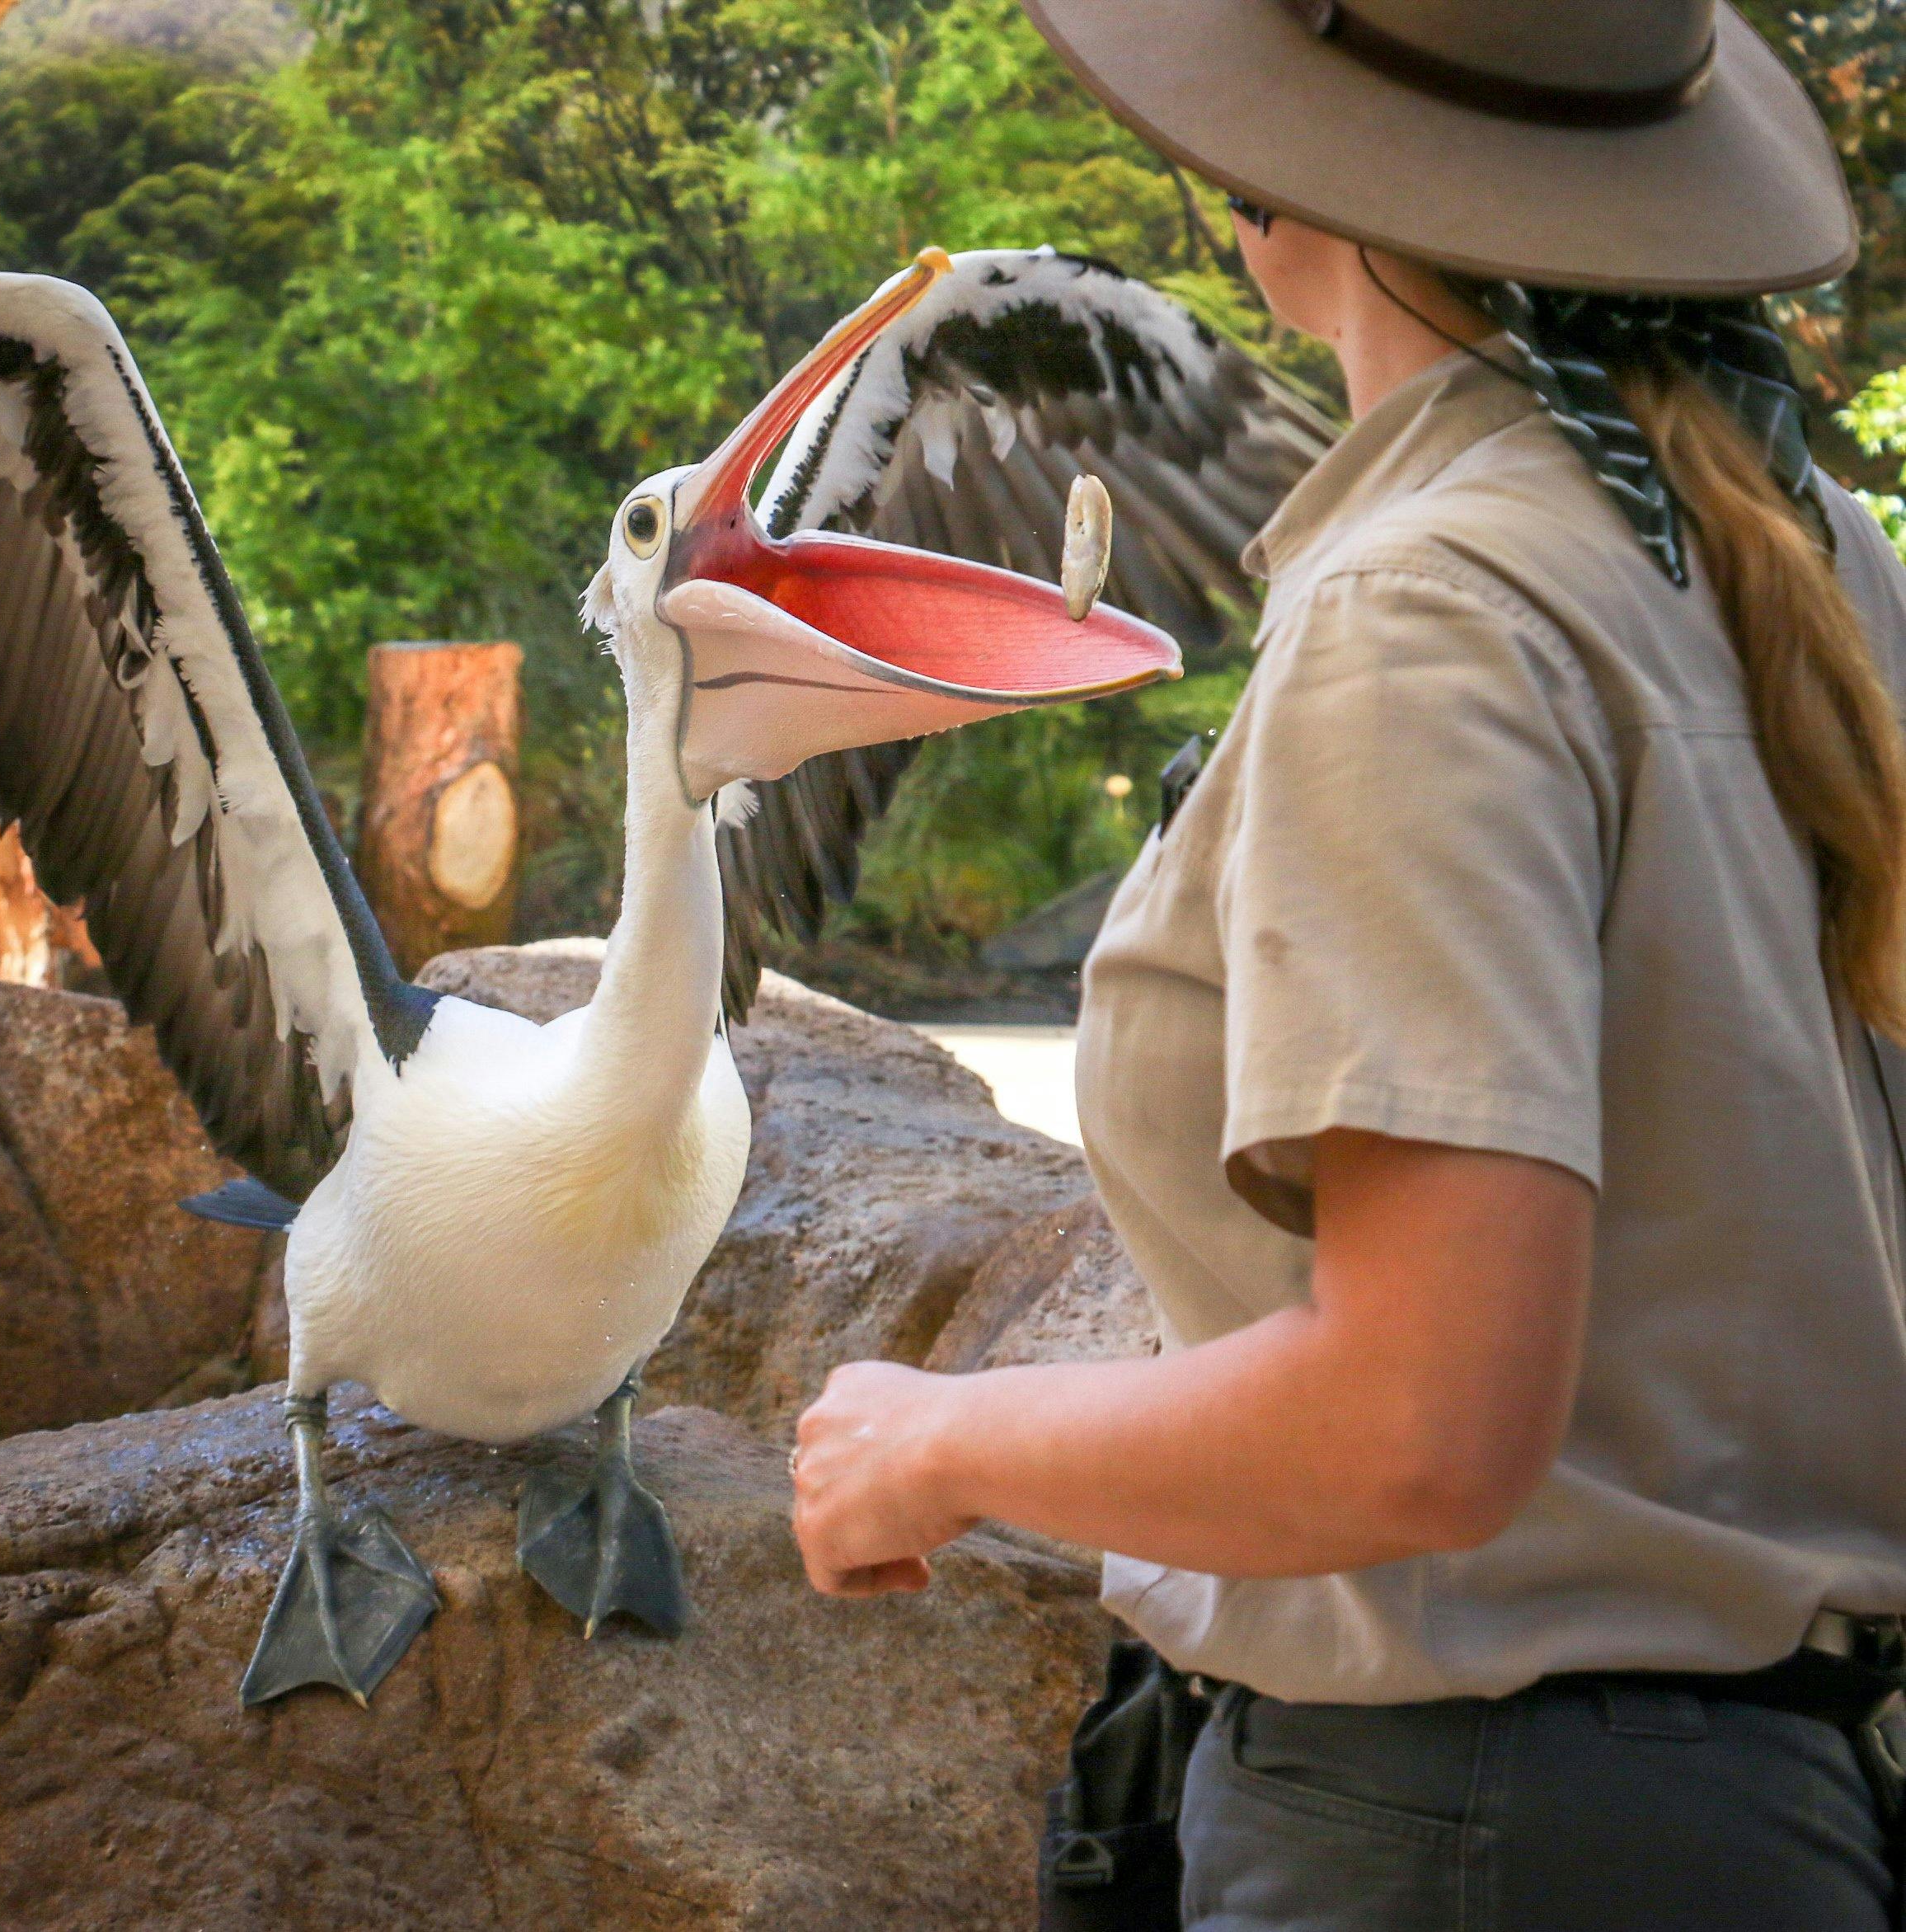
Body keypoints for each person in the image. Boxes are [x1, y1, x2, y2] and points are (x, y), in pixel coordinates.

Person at [787, 2, 1906, 1924]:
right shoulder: (1799, 547)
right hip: (1774, 1797)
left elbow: (1418, 1424)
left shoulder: (1423, 614)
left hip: (1478, 1833)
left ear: (1262, 185)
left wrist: (940, 1437)